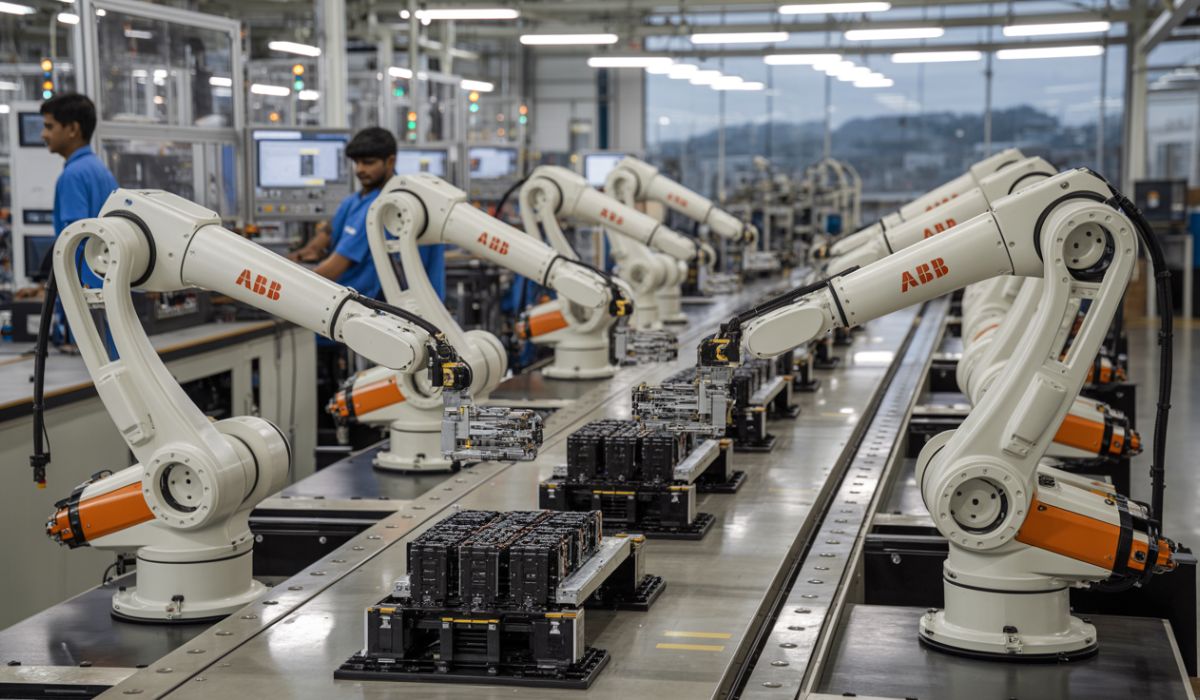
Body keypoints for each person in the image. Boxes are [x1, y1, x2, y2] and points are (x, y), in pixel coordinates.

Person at [289, 127, 445, 300]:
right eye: (357, 163)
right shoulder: (354, 200)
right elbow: (326, 234)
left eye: (368, 162)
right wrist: (302, 254)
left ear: (390, 162)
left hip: (376, 312)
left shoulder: (386, 206)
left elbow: (333, 269)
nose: (360, 169)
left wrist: (285, 286)